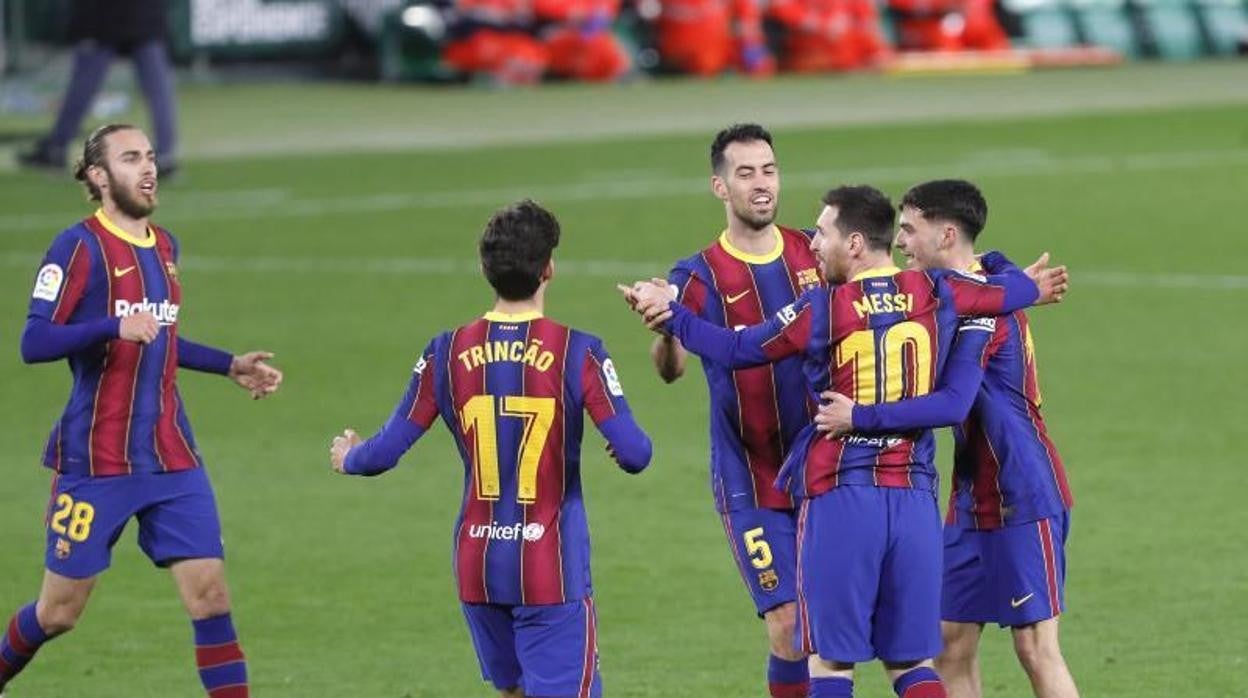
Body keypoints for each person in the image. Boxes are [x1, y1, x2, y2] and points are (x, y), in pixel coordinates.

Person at [626, 184, 1065, 698]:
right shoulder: (937, 290)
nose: (813, 244)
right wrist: (1029, 285)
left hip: (841, 495)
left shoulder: (822, 308)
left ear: (854, 244)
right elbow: (997, 295)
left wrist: (670, 313)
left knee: (832, 663)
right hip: (913, 500)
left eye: (824, 234)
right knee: (912, 665)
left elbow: (737, 347)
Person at [0, 124, 283, 698]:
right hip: (96, 460)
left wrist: (228, 364)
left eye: (151, 157)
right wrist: (111, 325)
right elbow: (34, 342)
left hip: (170, 455)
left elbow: (164, 338)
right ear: (99, 176)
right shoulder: (76, 248)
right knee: (59, 613)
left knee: (210, 596)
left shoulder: (166, 246)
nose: (148, 168)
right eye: (131, 159)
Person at [329, 199, 652, 698]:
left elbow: (383, 452)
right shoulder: (577, 351)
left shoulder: (445, 350)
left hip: (478, 565)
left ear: (486, 270)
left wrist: (348, 455)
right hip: (550, 566)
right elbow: (635, 453)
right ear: (549, 268)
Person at [814, 180, 1078, 698]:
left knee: (1035, 649)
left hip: (1023, 493)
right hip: (969, 498)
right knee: (950, 645)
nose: (903, 243)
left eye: (911, 230)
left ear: (947, 234)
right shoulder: (978, 287)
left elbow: (949, 404)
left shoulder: (981, 310)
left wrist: (860, 416)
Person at [633, 123, 821, 698]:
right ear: (720, 187)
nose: (761, 184)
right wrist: (665, 332)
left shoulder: (812, 250)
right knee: (788, 626)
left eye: (769, 170)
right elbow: (670, 370)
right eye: (746, 174)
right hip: (750, 477)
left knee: (831, 624)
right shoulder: (696, 276)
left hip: (823, 466)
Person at [20, 0, 180, 175]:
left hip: (101, 18)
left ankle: (57, 147)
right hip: (145, 16)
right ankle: (165, 154)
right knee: (158, 89)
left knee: (83, 86)